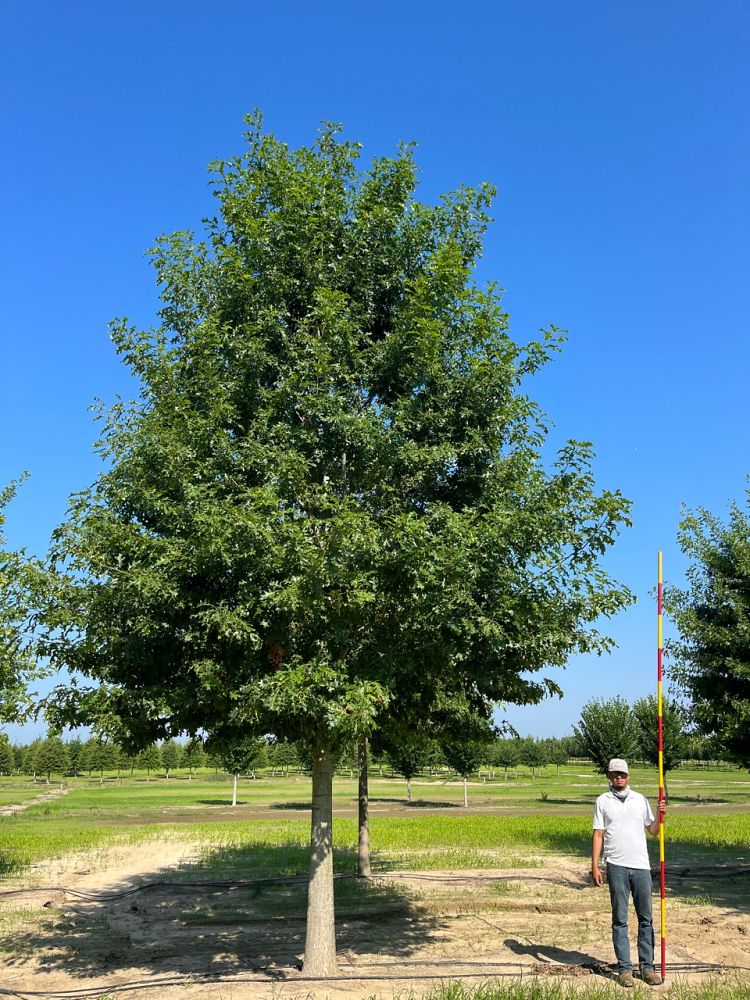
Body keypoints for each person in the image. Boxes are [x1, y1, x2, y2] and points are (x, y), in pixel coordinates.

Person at [591, 758, 667, 988]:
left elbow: (653, 830)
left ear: (628, 776)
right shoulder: (602, 801)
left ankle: (647, 968)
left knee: (646, 918)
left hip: (641, 866)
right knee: (620, 919)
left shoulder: (640, 799)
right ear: (609, 776)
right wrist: (595, 865)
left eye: (622, 773)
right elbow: (598, 834)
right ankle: (625, 969)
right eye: (614, 774)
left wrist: (661, 813)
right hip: (616, 866)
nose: (618, 777)